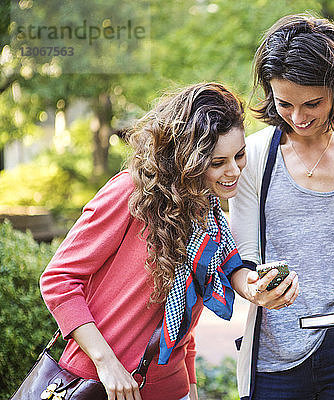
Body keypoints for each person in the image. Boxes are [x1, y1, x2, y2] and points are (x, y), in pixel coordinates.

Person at [40, 82, 253, 400]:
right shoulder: (130, 193)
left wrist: (190, 385)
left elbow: (181, 314)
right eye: (217, 162)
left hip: (171, 388)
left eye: (239, 155)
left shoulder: (204, 210)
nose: (234, 170)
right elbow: (58, 280)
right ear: (185, 159)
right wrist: (107, 364)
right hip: (100, 385)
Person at [228, 14, 334, 400]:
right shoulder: (252, 155)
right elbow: (243, 256)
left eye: (312, 103)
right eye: (285, 104)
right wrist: (254, 290)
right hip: (275, 353)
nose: (298, 118)